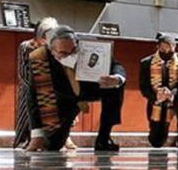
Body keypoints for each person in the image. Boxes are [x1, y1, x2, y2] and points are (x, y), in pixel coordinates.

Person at [23, 26, 125, 152]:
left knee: (116, 85)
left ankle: (104, 138)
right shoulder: (39, 58)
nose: (70, 55)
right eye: (63, 53)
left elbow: (116, 65)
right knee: (53, 144)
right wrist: (36, 134)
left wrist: (117, 78)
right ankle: (59, 136)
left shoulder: (91, 45)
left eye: (73, 50)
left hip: (92, 88)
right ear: (51, 50)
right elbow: (32, 96)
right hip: (65, 98)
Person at [15, 18, 59, 149]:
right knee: (29, 101)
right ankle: (23, 140)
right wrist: (35, 91)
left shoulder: (57, 47)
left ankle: (53, 139)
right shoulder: (27, 46)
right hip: (30, 86)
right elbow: (23, 72)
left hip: (51, 88)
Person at [140, 33, 178, 148]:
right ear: (158, 48)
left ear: (175, 47)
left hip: (176, 97)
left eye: (170, 51)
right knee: (156, 140)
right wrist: (156, 96)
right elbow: (143, 86)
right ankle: (157, 136)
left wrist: (171, 94)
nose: (166, 53)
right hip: (156, 98)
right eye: (163, 50)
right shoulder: (146, 63)